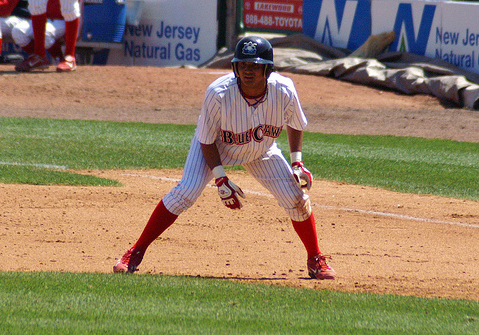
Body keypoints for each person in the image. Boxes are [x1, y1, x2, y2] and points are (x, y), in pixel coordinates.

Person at [113, 36, 337, 280]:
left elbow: (295, 123)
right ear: (235, 67)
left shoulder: (283, 90)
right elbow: (207, 140)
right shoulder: (218, 93)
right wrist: (220, 178)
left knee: (297, 198)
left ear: (267, 69)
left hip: (261, 150)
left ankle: (315, 259)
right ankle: (135, 252)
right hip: (215, 148)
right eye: (242, 65)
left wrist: (297, 162)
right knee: (185, 192)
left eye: (253, 66)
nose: (247, 71)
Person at [14, 0, 79, 72]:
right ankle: (39, 56)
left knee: (68, 6)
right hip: (47, 20)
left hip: (61, 20)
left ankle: (69, 57)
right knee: (36, 4)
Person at [12, 0, 64, 66]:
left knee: (46, 33)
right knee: (18, 31)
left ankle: (61, 59)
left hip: (62, 20)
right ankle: (37, 58)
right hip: (42, 18)